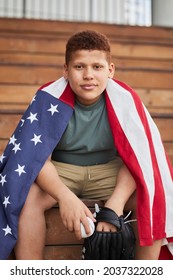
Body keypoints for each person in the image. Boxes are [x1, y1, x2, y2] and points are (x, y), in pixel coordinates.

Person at [1, 30, 173, 260]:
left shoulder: (126, 100)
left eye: (97, 67)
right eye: (79, 67)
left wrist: (115, 204)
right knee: (26, 197)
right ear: (66, 70)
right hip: (61, 170)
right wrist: (65, 197)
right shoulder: (48, 98)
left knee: (149, 192)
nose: (88, 75)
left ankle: (146, 271)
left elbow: (142, 159)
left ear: (110, 70)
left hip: (109, 170)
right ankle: (31, 271)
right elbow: (35, 159)